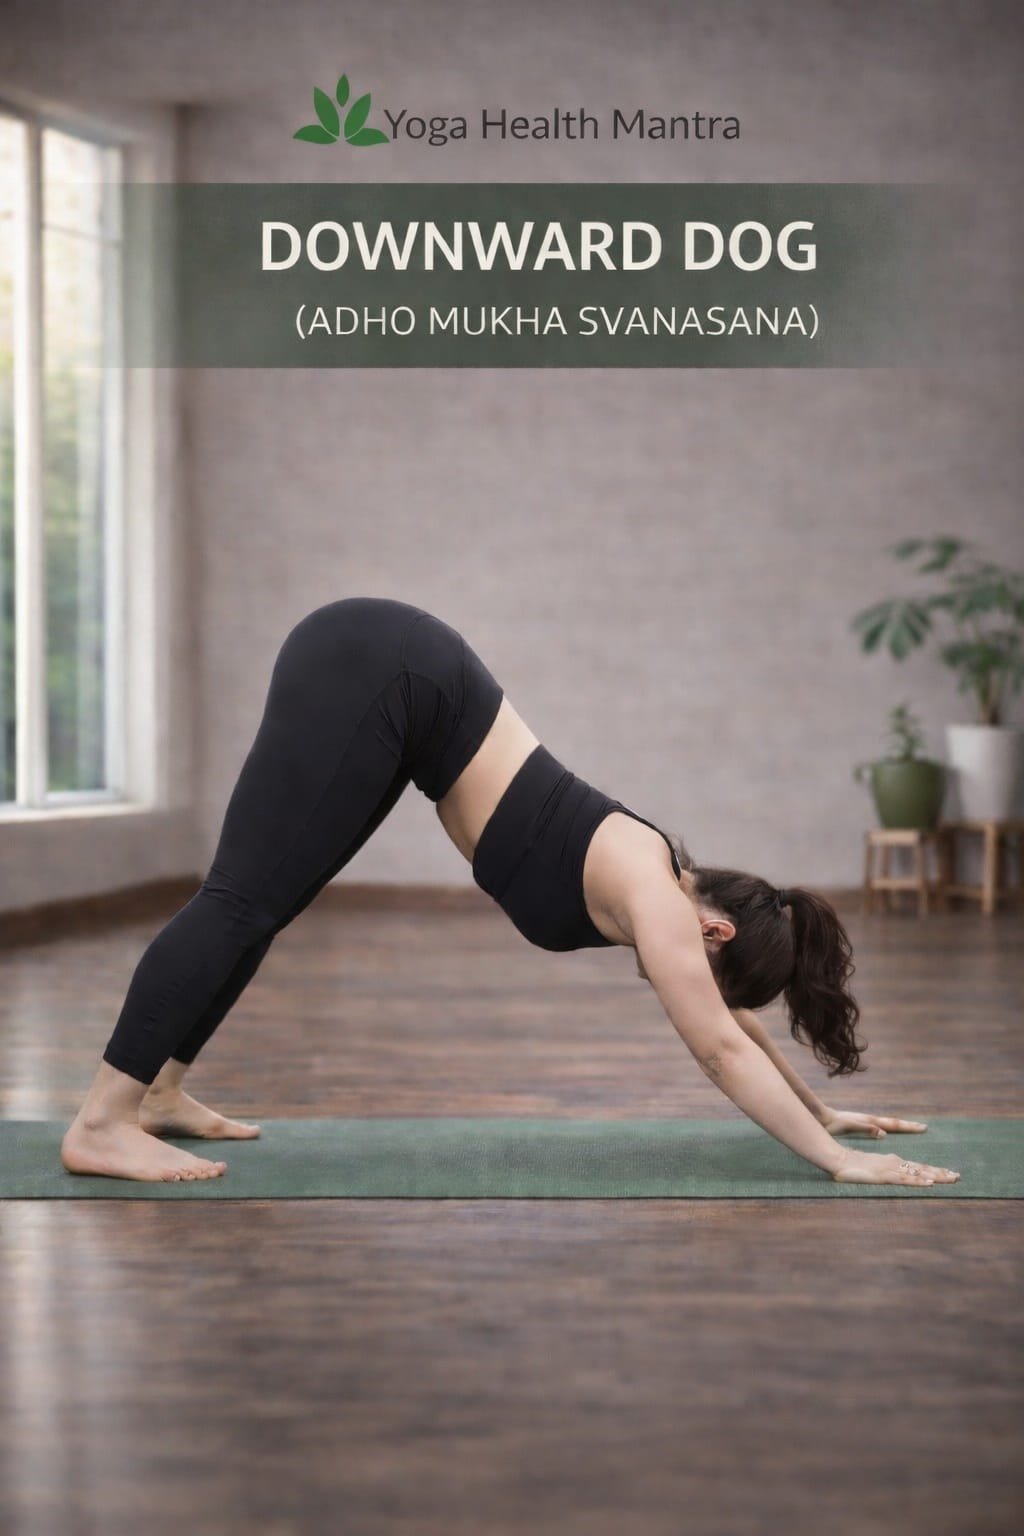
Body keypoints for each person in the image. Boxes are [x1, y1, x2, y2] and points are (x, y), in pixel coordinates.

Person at [61, 597, 959, 1188]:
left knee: (264, 904)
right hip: (380, 666)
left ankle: (157, 1092)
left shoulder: (667, 889)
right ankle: (102, 1121)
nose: (686, 987)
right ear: (715, 931)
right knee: (239, 899)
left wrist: (820, 1105)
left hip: (399, 688)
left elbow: (735, 1028)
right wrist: (835, 1163)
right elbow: (721, 1047)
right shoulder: (653, 898)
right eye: (710, 970)